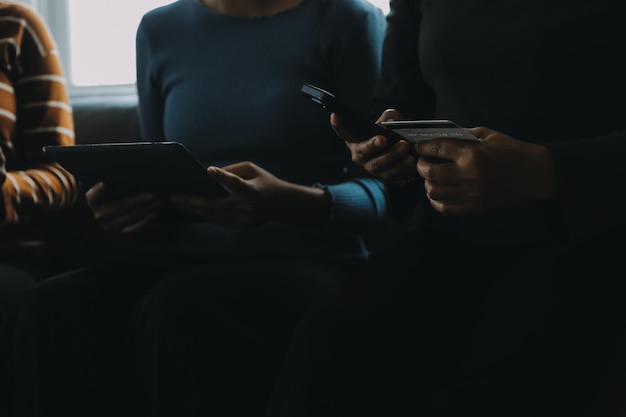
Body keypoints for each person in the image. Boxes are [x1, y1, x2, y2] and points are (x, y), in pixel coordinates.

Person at [6, 0, 389, 416]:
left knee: (181, 306)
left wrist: (285, 201)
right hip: (184, 258)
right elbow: (156, 167)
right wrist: (125, 211)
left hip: (310, 259)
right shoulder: (159, 29)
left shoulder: (349, 21)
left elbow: (387, 193)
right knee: (51, 306)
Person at [263, 0, 626, 416]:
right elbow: (399, 101)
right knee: (326, 346)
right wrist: (385, 154)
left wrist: (549, 169)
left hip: (592, 237)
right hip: (454, 238)